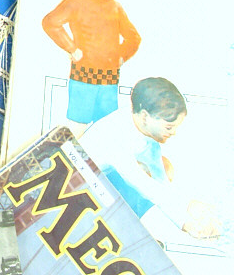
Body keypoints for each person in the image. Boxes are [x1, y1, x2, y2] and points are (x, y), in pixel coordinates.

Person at [81, 77, 221, 239]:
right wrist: (185, 223)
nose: (173, 133)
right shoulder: (116, 134)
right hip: (74, 185)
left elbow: (160, 178)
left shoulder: (142, 128)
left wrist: (189, 205)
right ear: (145, 116)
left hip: (97, 181)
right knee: (139, 187)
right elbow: (142, 184)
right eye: (169, 127)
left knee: (165, 168)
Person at [42, 0, 140, 124]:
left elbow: (134, 38)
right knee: (79, 122)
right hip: (82, 77)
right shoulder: (75, 3)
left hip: (109, 80)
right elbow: (50, 22)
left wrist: (122, 56)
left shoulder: (116, 8)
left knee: (106, 124)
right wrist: (71, 48)